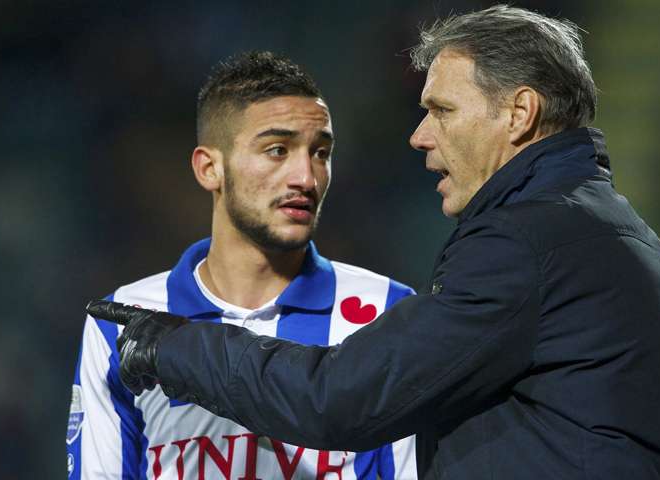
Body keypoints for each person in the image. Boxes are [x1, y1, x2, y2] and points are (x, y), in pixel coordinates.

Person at [88, 5, 660, 479]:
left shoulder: (529, 242)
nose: (419, 135)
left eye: (441, 110)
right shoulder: (642, 253)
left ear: (519, 113)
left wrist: (173, 345)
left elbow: (343, 399)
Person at [68, 51, 418, 479]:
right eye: (277, 150)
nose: (306, 178)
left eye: (321, 153)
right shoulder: (124, 321)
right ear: (209, 168)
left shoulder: (386, 310)